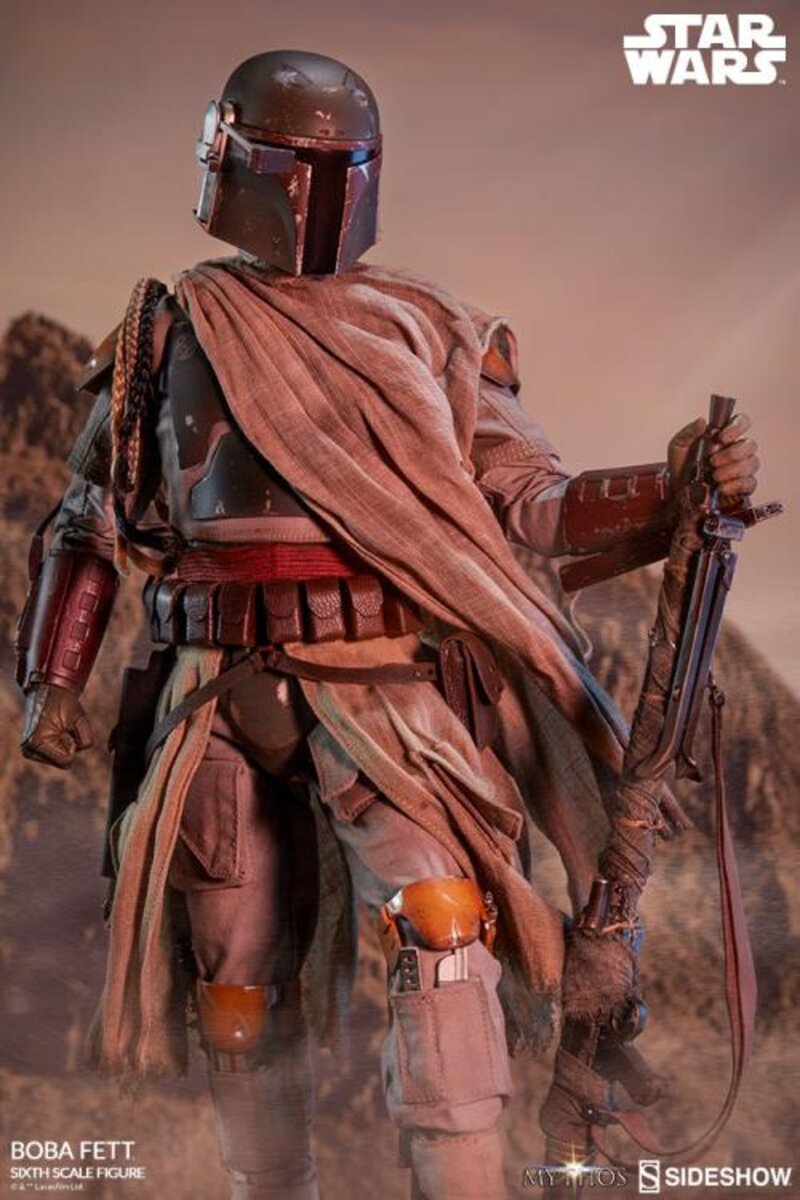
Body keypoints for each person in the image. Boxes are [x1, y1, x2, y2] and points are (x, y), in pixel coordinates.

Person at [15, 51, 760, 1200]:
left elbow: (536, 505)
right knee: (233, 977)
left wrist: (671, 488)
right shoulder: (167, 331)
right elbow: (90, 519)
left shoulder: (433, 332)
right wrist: (52, 682)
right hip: (212, 691)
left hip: (381, 692)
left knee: (442, 922)